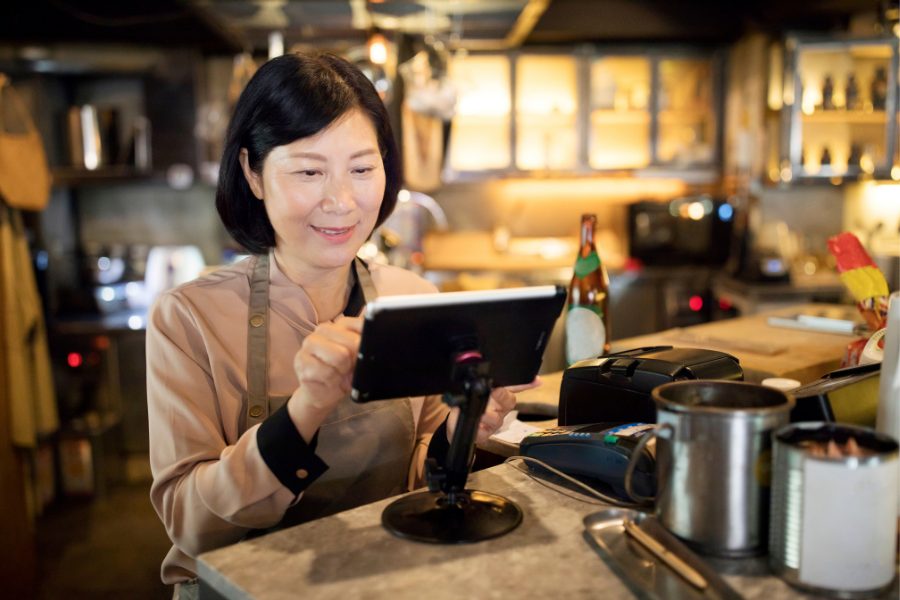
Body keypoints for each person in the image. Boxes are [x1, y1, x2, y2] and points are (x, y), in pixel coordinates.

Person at [146, 52, 521, 595]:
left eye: (362, 169)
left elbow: (420, 482)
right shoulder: (188, 319)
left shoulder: (413, 299)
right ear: (253, 173)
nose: (342, 201)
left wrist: (463, 429)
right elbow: (189, 523)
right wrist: (306, 409)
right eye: (309, 171)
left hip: (380, 578)